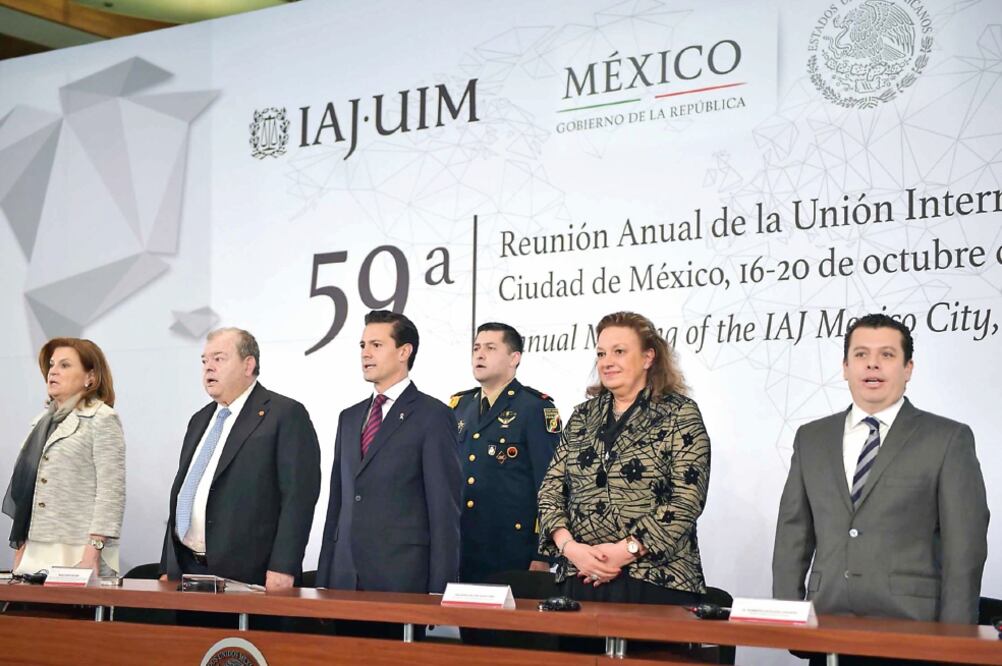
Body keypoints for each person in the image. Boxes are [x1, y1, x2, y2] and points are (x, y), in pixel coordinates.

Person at [773, 314, 989, 645]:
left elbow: (964, 549)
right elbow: (793, 535)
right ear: (845, 367)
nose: (872, 365)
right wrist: (787, 622)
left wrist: (955, 640)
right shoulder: (811, 438)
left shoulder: (947, 439)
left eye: (887, 355)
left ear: (908, 369)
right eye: (861, 355)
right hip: (825, 624)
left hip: (913, 628)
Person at [537, 311, 711, 608]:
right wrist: (572, 549)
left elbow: (687, 500)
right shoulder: (582, 415)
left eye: (619, 351)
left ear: (648, 358)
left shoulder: (680, 413)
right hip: (580, 577)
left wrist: (625, 550)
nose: (606, 361)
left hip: (655, 580)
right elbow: (550, 490)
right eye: (601, 353)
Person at [159, 327, 320, 591]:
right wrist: (168, 565)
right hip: (188, 572)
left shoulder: (284, 415)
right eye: (204, 360)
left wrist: (283, 566)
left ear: (248, 365)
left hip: (250, 575)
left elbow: (299, 498)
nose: (208, 368)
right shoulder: (200, 420)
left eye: (219, 359)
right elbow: (184, 492)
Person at [317, 310, 461, 595]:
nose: (365, 354)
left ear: (404, 351)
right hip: (344, 579)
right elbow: (338, 502)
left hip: (402, 580)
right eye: (362, 345)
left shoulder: (432, 415)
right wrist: (323, 578)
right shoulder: (349, 417)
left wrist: (440, 591)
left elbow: (444, 510)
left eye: (376, 345)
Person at [3, 338, 125, 577]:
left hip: (78, 549)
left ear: (90, 377)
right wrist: (21, 549)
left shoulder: (102, 419)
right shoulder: (40, 423)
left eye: (65, 365)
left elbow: (111, 493)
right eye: (51, 364)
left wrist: (93, 551)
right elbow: (28, 492)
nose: (53, 371)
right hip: (35, 549)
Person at [449, 322, 560, 584]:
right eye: (476, 348)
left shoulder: (534, 407)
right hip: (464, 549)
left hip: (513, 552)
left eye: (490, 348)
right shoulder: (459, 406)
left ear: (514, 358)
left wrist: (542, 553)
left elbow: (550, 484)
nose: (479, 354)